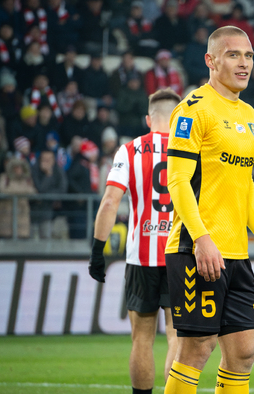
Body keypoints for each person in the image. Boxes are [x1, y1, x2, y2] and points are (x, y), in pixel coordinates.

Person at [163, 25, 254, 394]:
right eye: (233, 55)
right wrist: (201, 238)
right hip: (195, 248)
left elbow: (245, 184)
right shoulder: (192, 111)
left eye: (248, 56)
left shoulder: (249, 115)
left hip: (236, 252)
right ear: (211, 60)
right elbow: (178, 181)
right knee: (196, 349)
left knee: (244, 353)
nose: (244, 63)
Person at [88, 89, 181, 394]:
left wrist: (97, 251)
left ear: (147, 119)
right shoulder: (194, 150)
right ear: (179, 117)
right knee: (176, 337)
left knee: (142, 338)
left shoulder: (128, 151)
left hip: (142, 257)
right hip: (181, 255)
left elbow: (109, 203)